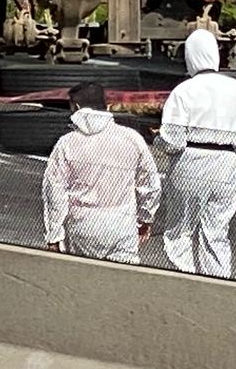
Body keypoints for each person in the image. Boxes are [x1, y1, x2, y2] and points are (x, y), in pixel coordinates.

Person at [157, 29, 236, 278]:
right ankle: (219, 281)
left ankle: (184, 277)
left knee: (180, 229)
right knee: (217, 231)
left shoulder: (183, 91)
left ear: (190, 57)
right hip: (226, 163)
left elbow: (173, 141)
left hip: (191, 160)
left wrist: (156, 139)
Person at [42, 81, 161, 264]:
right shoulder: (131, 138)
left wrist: (54, 233)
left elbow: (54, 191)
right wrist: (146, 218)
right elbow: (151, 184)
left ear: (77, 106)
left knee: (85, 279)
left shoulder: (66, 143)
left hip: (82, 224)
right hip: (121, 223)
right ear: (106, 106)